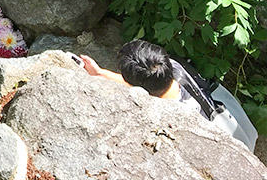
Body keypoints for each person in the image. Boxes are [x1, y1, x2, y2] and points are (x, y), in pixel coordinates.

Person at [82, 40, 258, 151]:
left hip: (231, 150)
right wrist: (99, 73)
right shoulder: (171, 66)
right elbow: (145, 84)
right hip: (241, 129)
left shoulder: (173, 117)